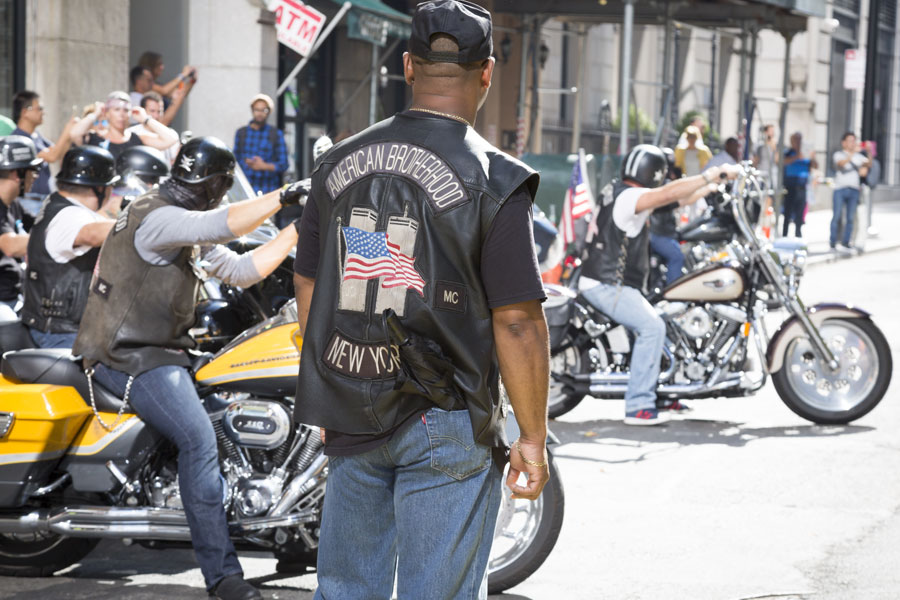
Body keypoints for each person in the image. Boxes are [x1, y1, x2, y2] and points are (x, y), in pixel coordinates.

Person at [293, 2, 550, 598]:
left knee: (346, 589)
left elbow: (307, 282)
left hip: (351, 405)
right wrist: (532, 437)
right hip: (447, 413)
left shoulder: (335, 164)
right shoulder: (495, 178)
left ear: (407, 66)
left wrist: (335, 378)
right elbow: (517, 322)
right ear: (486, 72)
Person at [72, 136, 304, 600]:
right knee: (199, 440)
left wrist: (299, 227)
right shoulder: (157, 216)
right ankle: (223, 577)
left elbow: (241, 269)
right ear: (217, 185)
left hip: (162, 352)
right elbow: (220, 224)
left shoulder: (182, 227)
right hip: (127, 357)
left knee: (227, 419)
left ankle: (283, 527)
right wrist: (285, 195)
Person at [580, 144, 737, 424]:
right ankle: (639, 405)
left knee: (666, 316)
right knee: (652, 327)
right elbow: (667, 193)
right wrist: (710, 175)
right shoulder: (631, 197)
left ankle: (663, 391)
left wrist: (712, 187)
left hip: (608, 281)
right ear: (653, 172)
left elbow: (674, 201)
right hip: (607, 284)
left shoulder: (621, 192)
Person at [21, 146, 118, 348]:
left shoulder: (59, 204)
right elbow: (91, 234)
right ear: (100, 188)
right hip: (60, 332)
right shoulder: (69, 215)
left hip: (58, 327)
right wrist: (139, 221)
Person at [0, 136, 43, 320]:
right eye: (32, 170)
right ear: (18, 173)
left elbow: (41, 224)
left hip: (14, 296)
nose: (35, 176)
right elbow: (10, 245)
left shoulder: (13, 204)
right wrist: (62, 237)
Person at [12, 90, 78, 204]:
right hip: (29, 200)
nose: (43, 112)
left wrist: (70, 135)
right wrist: (67, 131)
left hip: (42, 199)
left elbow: (58, 152)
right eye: (39, 108)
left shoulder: (36, 135)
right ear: (25, 112)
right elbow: (52, 156)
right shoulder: (19, 139)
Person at [69, 91, 178, 159]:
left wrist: (146, 119)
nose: (121, 114)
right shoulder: (96, 138)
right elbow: (74, 133)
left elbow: (171, 139)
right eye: (116, 109)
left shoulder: (137, 139)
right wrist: (95, 114)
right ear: (107, 113)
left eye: (126, 110)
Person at [233, 94, 289, 202]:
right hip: (245, 190)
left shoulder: (276, 134)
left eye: (264, 110)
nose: (260, 113)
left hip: (268, 191)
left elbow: (284, 164)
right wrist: (247, 163)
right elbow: (235, 162)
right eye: (257, 109)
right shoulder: (241, 133)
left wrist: (264, 166)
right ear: (252, 110)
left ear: (269, 112)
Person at [648, 148, 685, 287]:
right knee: (677, 256)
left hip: (664, 232)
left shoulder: (665, 182)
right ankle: (672, 291)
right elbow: (676, 197)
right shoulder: (657, 185)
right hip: (657, 233)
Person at [830, 131, 871, 250]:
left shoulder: (859, 156)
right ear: (843, 143)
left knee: (850, 218)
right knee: (836, 216)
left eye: (853, 141)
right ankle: (833, 241)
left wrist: (868, 151)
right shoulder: (838, 154)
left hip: (854, 190)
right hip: (840, 189)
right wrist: (852, 154)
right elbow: (841, 164)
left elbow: (868, 165)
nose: (852, 143)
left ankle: (846, 241)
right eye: (850, 141)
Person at [126, 92, 181, 164]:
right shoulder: (131, 133)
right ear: (143, 111)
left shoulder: (168, 132)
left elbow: (173, 140)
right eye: (152, 111)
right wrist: (146, 119)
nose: (156, 116)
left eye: (159, 111)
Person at [782, 131, 817, 237]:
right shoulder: (788, 152)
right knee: (787, 212)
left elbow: (815, 166)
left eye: (799, 140)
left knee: (800, 212)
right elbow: (783, 161)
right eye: (795, 140)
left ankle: (798, 233)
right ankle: (785, 234)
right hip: (790, 186)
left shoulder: (807, 153)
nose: (797, 142)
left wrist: (812, 157)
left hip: (802, 186)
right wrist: (797, 156)